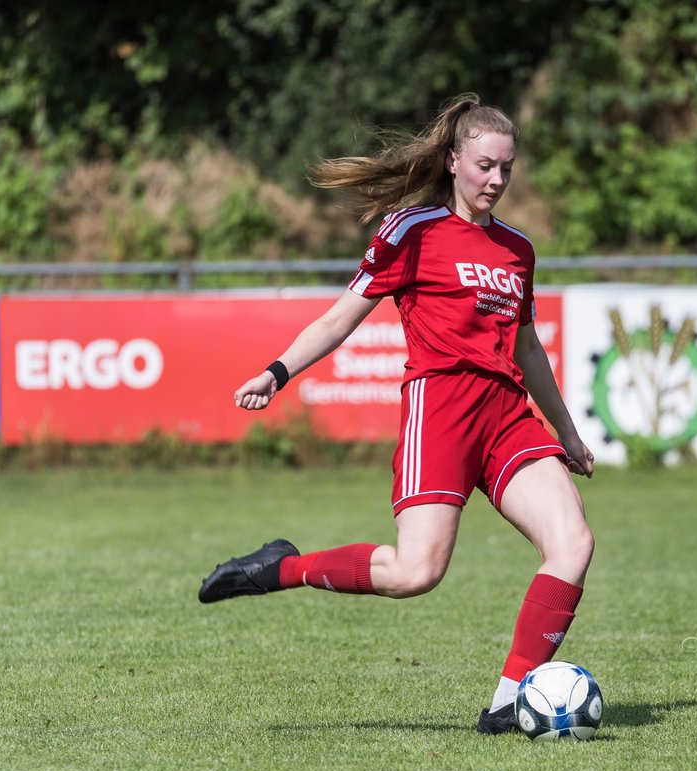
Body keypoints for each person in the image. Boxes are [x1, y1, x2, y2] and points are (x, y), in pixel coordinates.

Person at [199, 93, 596, 735]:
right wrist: (276, 374)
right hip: (440, 411)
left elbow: (526, 347)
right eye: (485, 165)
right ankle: (282, 566)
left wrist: (567, 431)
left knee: (573, 543)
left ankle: (507, 702)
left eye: (507, 168)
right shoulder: (410, 231)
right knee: (416, 573)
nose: (496, 180)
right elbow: (338, 318)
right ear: (453, 159)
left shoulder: (517, 251)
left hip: (506, 416)